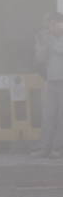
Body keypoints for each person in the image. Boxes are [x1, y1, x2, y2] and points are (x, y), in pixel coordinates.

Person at [32, 11, 63, 158]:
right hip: (51, 81)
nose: (48, 27)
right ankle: (45, 149)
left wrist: (49, 41)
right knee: (48, 116)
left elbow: (60, 50)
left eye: (51, 24)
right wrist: (40, 45)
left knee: (61, 118)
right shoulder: (48, 39)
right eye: (47, 24)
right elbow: (40, 59)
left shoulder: (55, 39)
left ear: (59, 23)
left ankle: (58, 149)